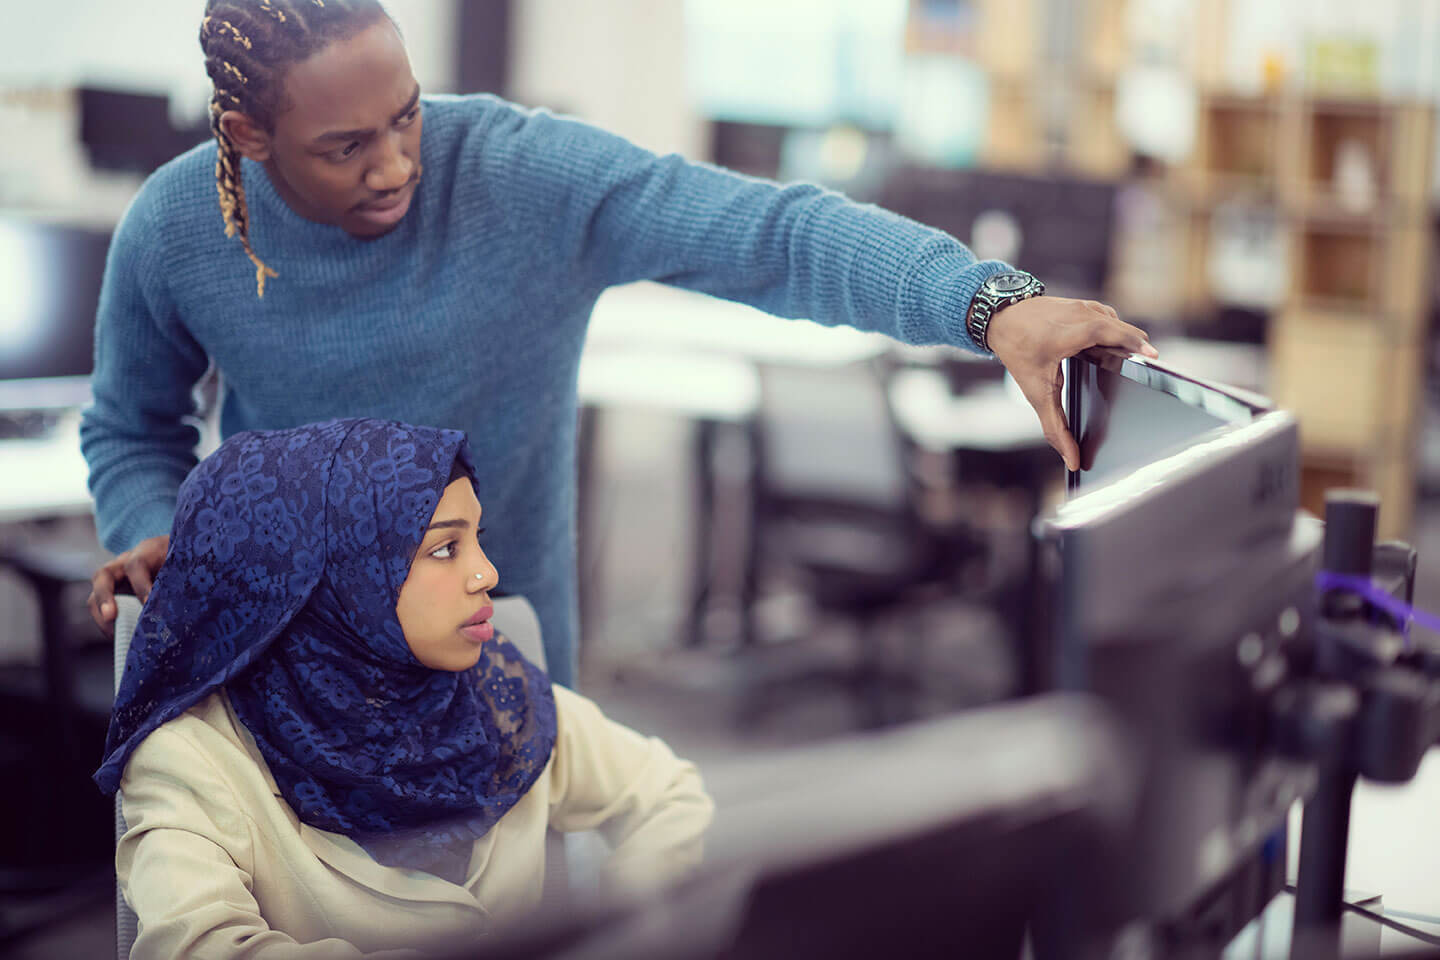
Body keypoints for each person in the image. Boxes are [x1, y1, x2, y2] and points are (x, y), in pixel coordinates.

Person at [82, 0, 1159, 686]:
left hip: (498, 660)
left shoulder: (519, 174)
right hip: (283, 661)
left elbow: (770, 234)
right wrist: (148, 526)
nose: (398, 164)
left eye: (406, 116)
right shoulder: (176, 230)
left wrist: (992, 303)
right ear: (248, 137)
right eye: (345, 146)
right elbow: (133, 423)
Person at [95, 417, 714, 958]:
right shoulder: (193, 758)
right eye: (445, 548)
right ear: (333, 580)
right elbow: (201, 949)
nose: (487, 573)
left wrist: (626, 932)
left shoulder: (496, 692)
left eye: (477, 539)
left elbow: (668, 796)